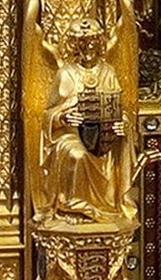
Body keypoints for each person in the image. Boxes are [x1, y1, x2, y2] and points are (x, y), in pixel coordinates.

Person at [43, 18, 137, 222]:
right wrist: (63, 117)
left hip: (103, 138)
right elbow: (48, 114)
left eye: (92, 41)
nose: (87, 47)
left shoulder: (108, 72)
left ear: (100, 43)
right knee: (77, 155)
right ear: (74, 45)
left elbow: (119, 109)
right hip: (71, 137)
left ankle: (108, 206)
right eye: (82, 43)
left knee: (109, 153)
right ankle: (73, 206)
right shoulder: (66, 73)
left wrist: (122, 124)